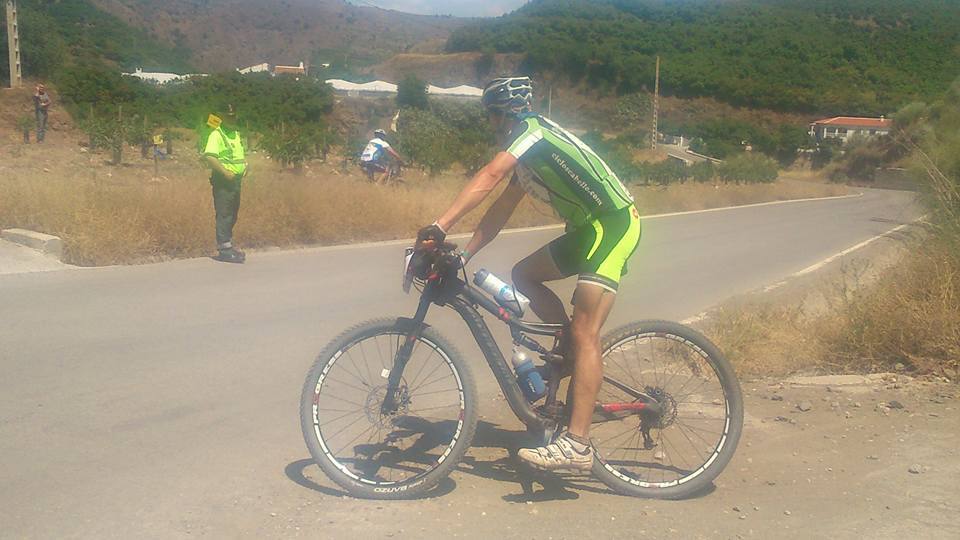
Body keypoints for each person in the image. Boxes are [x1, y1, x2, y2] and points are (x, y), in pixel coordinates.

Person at [416, 77, 641, 472]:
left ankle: (578, 445)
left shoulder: (531, 131)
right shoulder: (530, 158)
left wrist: (440, 225)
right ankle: (569, 353)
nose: (491, 125)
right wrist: (464, 255)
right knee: (524, 275)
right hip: (589, 231)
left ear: (506, 114)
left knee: (586, 331)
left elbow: (489, 177)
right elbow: (499, 212)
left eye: (492, 116)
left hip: (615, 223)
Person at [203, 104, 248, 263]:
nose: (232, 119)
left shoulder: (235, 134)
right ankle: (224, 250)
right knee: (224, 213)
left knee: (233, 213)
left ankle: (228, 244)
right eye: (228, 116)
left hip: (236, 180)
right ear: (223, 118)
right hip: (223, 180)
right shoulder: (216, 134)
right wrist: (225, 172)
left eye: (233, 116)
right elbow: (210, 156)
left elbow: (238, 156)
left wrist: (245, 167)